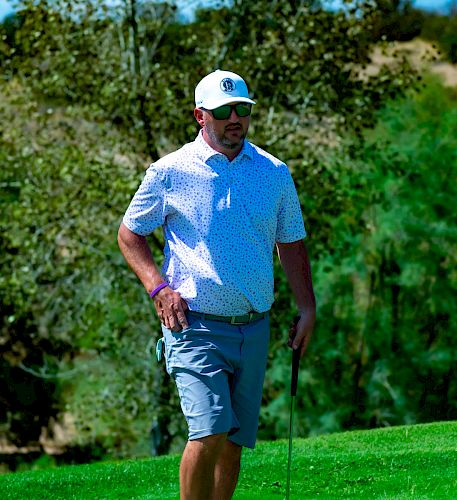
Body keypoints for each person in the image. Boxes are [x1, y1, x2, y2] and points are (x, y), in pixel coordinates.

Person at [117, 69, 315, 499]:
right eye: (223, 111)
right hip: (194, 326)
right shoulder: (170, 171)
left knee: (232, 444)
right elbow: (130, 234)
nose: (234, 119)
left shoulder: (274, 172)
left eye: (242, 110)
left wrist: (307, 308)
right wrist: (158, 288)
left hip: (254, 325)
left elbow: (292, 242)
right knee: (208, 431)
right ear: (200, 116)